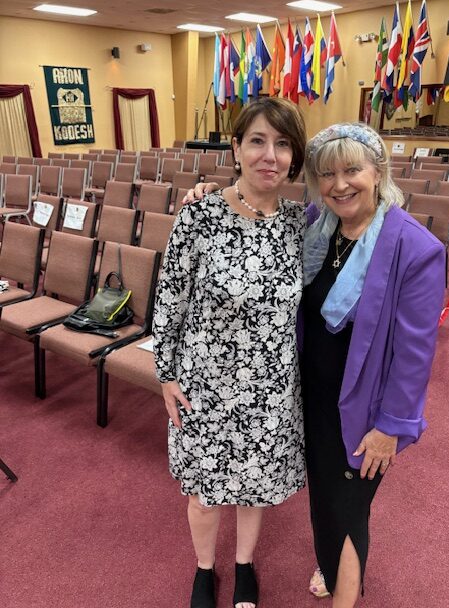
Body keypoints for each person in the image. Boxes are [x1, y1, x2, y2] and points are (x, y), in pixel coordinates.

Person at [184, 122, 445, 608]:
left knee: (347, 511)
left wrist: (391, 427)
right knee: (324, 501)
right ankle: (330, 566)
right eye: (327, 174)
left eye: (352, 171)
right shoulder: (315, 227)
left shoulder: (414, 248)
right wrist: (208, 191)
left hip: (363, 411)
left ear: (378, 171)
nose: (339, 184)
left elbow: (415, 354)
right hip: (309, 398)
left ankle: (344, 590)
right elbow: (248, 211)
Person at [152, 97, 307, 608]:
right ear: (236, 147)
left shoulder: (300, 225)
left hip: (270, 388)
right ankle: (203, 569)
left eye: (283, 144)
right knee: (203, 490)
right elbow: (169, 299)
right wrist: (166, 375)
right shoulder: (199, 215)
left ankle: (243, 564)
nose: (271, 155)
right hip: (205, 383)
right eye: (258, 141)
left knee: (254, 487)